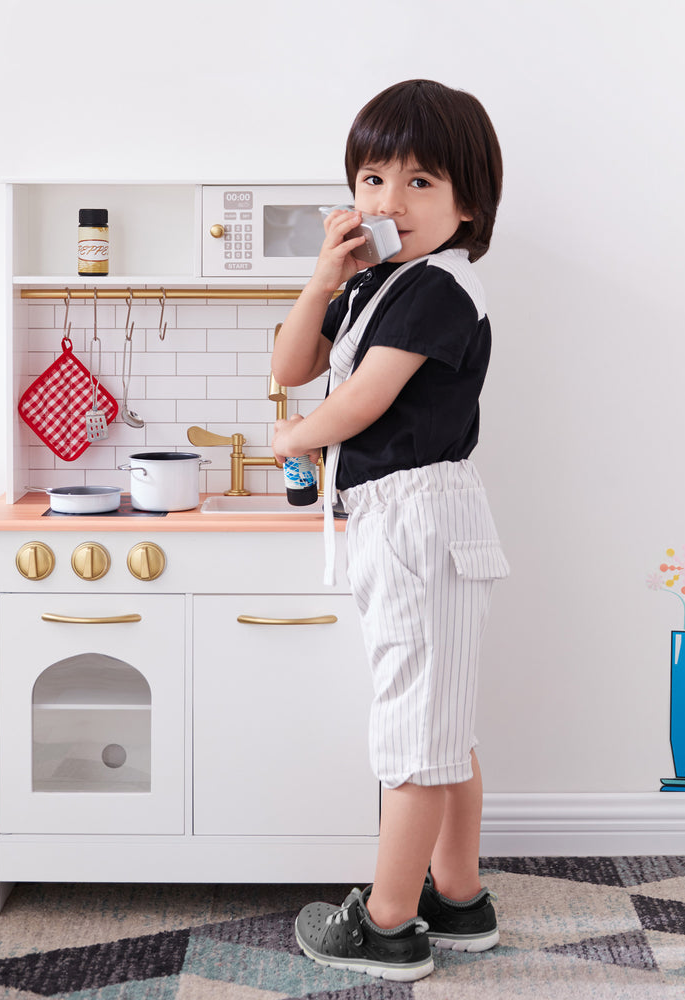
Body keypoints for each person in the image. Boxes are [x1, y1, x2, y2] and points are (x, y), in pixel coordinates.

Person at [270, 79, 508, 982]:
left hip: (418, 518)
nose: (388, 202)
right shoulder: (378, 284)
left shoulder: (441, 288)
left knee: (413, 732)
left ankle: (388, 922)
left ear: (466, 202)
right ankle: (458, 898)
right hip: (400, 522)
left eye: (419, 183)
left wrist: (293, 437)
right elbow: (293, 364)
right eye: (373, 180)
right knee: (438, 721)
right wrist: (323, 276)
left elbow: (358, 401)